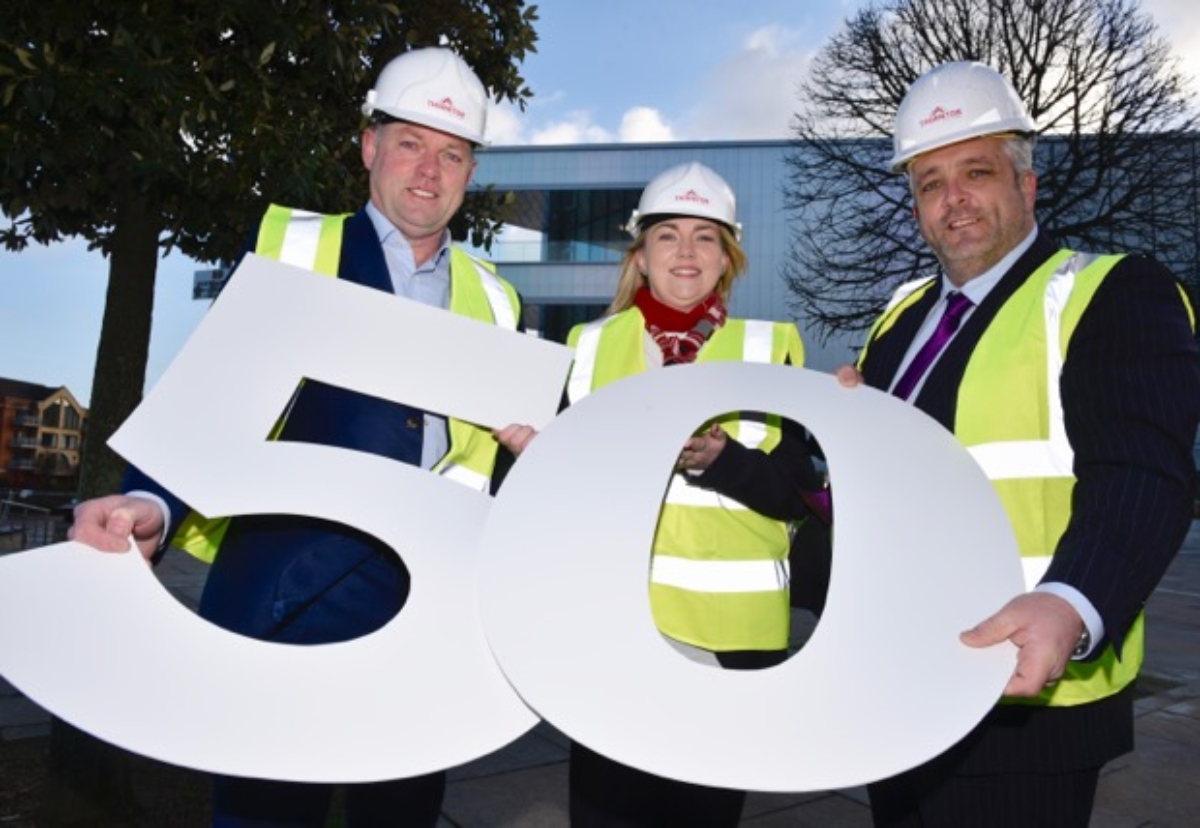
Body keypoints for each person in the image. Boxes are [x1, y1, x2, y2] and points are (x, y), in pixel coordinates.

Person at [68, 47, 522, 828]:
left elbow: (488, 473)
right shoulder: (295, 248)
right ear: (369, 146)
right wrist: (150, 502)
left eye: (452, 153)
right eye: (409, 142)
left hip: (430, 616)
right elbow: (214, 401)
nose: (429, 168)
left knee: (402, 813)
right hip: (284, 600)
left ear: (470, 174)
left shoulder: (499, 300)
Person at [838, 61, 1200, 827]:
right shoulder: (896, 325)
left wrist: (1075, 600)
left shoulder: (1108, 291)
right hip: (900, 679)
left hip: (1026, 692)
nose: (954, 199)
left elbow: (1142, 472)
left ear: (1026, 186)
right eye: (930, 183)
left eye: (977, 171)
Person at [501, 161, 827, 826]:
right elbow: (556, 503)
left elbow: (802, 496)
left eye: (705, 237)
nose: (686, 252)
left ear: (727, 259)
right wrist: (538, 464)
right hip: (610, 630)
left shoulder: (770, 348)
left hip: (730, 642)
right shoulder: (586, 349)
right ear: (641, 256)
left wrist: (725, 461)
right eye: (668, 235)